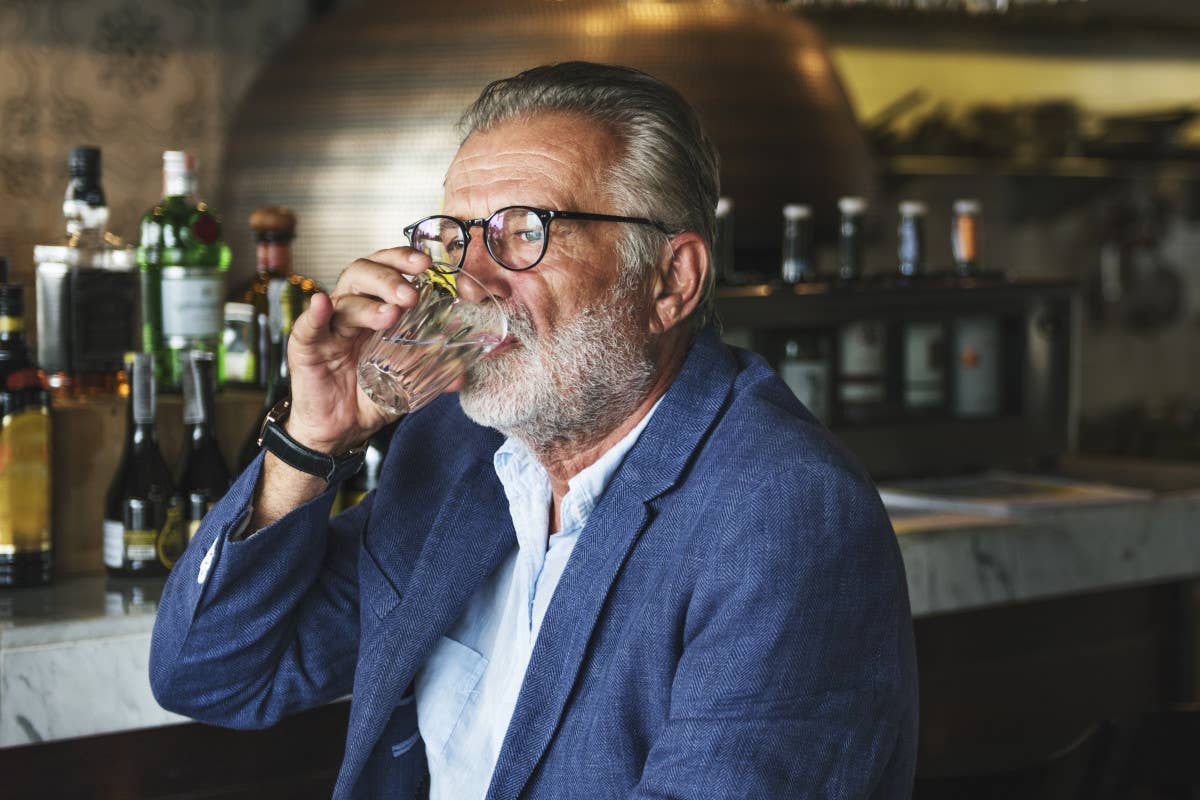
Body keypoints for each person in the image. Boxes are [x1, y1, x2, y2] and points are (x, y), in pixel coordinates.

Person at [150, 61, 918, 799]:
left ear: (669, 280)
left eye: (525, 232)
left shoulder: (782, 517)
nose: (472, 279)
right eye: (457, 237)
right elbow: (212, 674)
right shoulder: (456, 448)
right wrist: (311, 442)